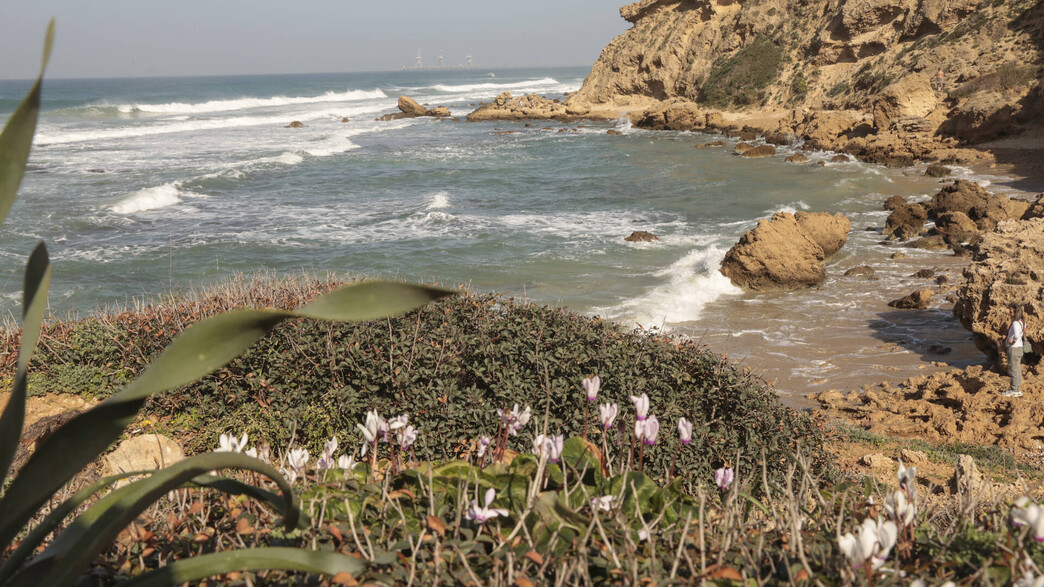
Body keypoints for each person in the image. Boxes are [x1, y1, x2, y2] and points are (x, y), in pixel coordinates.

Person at [1003, 303, 1026, 397]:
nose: (1009, 313)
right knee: (1017, 369)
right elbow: (1022, 333)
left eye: (1011, 312)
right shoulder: (1022, 322)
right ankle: (1017, 389)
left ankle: (1014, 390)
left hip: (1014, 349)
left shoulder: (1016, 323)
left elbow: (1016, 335)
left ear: (1016, 312)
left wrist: (1012, 342)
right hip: (1019, 348)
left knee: (1013, 369)